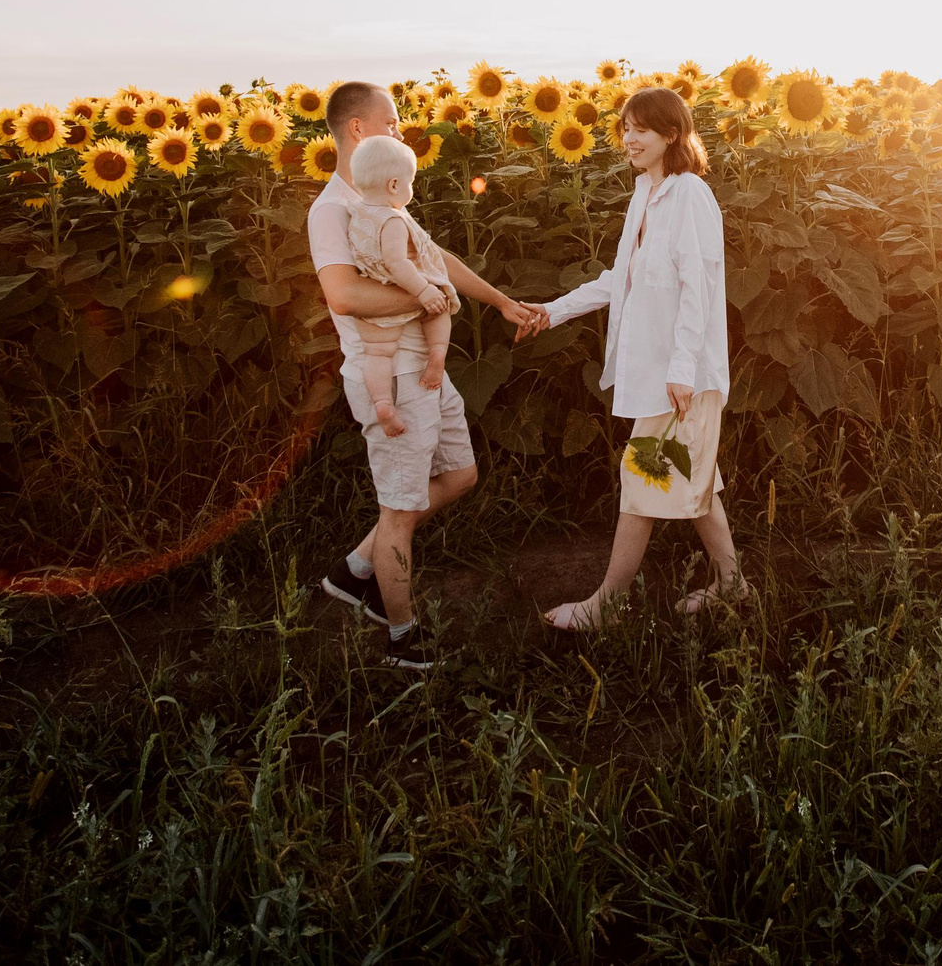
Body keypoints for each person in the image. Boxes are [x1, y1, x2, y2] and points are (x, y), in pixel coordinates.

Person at [310, 82, 545, 669]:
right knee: (399, 513)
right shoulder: (332, 209)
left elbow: (436, 259)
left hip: (428, 373)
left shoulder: (388, 200)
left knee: (461, 475)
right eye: (391, 122)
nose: (400, 130)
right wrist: (426, 298)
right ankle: (404, 643)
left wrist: (497, 301)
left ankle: (356, 570)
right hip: (389, 376)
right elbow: (343, 295)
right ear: (358, 130)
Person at [518, 85, 744, 629]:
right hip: (661, 370)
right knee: (695, 478)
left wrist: (683, 368)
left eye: (640, 128)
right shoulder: (646, 193)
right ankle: (734, 586)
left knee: (641, 475)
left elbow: (699, 285)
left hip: (680, 373)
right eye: (624, 127)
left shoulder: (690, 194)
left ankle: (607, 606)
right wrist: (553, 310)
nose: (628, 138)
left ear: (671, 133)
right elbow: (619, 279)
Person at [341, 133, 460, 424]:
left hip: (374, 297)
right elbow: (397, 261)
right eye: (410, 183)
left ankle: (382, 403)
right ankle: (436, 355)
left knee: (378, 355)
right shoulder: (393, 220)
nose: (410, 190)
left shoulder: (356, 212)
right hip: (402, 287)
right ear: (394, 184)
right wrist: (423, 290)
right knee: (439, 308)